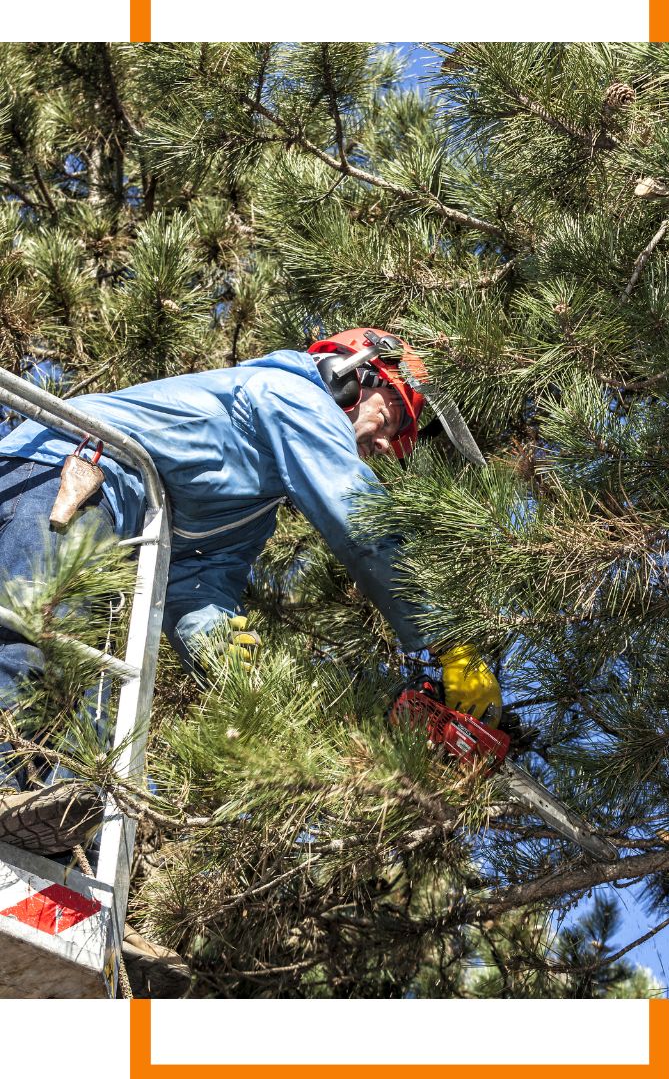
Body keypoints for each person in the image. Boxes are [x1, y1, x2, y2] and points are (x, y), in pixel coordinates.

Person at [0, 328, 501, 789]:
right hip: (54, 478)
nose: (385, 444)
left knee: (76, 691)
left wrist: (225, 658)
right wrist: (446, 640)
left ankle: (41, 816)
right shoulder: (291, 395)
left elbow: (195, 583)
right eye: (391, 419)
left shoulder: (251, 508)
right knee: (39, 644)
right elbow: (360, 518)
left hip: (91, 506)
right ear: (350, 378)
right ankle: (15, 785)